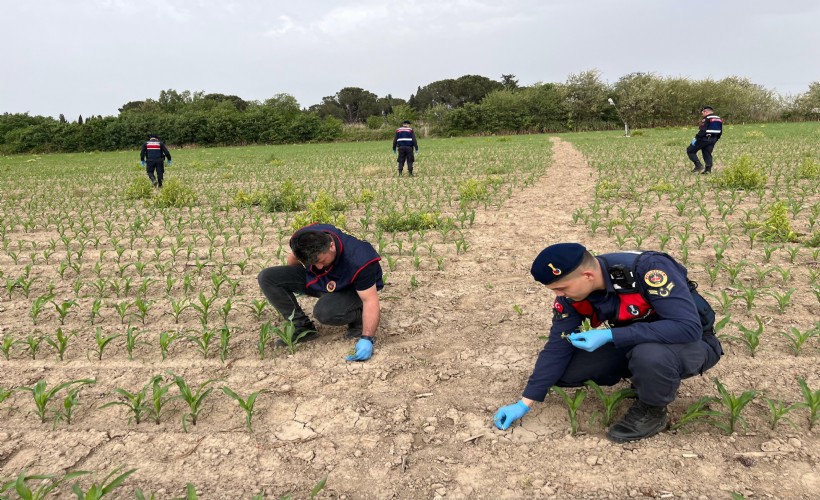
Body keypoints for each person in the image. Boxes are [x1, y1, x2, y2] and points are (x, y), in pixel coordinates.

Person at [494, 243, 723, 442]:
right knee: (564, 372)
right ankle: (645, 375)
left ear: (588, 276)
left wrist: (611, 335)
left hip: (692, 343)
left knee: (650, 356)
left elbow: (687, 327)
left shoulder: (648, 269)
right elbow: (557, 346)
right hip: (635, 343)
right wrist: (525, 403)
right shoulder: (574, 297)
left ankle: (652, 411)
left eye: (562, 288)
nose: (559, 295)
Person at [257, 224, 383, 362]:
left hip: (352, 285)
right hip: (323, 278)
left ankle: (357, 320)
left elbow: (370, 300)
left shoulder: (360, 259)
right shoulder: (302, 238)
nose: (319, 266)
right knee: (267, 277)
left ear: (332, 246)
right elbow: (293, 258)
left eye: (322, 261)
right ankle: (303, 328)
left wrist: (367, 338)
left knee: (325, 312)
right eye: (314, 263)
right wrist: (295, 283)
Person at [687, 106, 723, 174]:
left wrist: (696, 138)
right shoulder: (719, 119)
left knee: (690, 150)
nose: (702, 115)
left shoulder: (706, 118)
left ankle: (698, 166)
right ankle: (708, 171)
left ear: (705, 111)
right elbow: (720, 130)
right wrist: (716, 139)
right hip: (713, 139)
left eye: (702, 113)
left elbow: (703, 130)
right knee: (707, 153)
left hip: (704, 138)